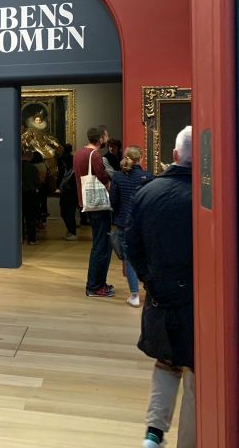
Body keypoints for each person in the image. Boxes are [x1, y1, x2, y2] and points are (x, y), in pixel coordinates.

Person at [127, 126, 194, 448]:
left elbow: (131, 244)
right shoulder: (209, 197)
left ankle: (154, 433)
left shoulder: (147, 191)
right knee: (196, 371)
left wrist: (147, 280)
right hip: (194, 298)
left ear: (175, 154)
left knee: (166, 364)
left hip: (159, 293)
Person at [108, 146, 153, 307]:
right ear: (140, 158)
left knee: (128, 260)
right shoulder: (147, 177)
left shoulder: (118, 177)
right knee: (147, 258)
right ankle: (151, 292)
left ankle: (134, 296)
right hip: (142, 222)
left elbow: (113, 202)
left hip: (123, 223)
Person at [74, 125, 113, 297]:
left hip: (87, 202)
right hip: (99, 205)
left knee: (99, 244)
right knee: (102, 246)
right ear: (100, 139)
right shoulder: (94, 155)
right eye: (106, 136)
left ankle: (97, 283)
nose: (108, 138)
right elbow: (103, 176)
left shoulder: (79, 153)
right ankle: (95, 286)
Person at [21, 147, 41, 245]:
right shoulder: (33, 168)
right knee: (31, 218)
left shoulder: (16, 167)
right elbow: (37, 183)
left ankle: (20, 238)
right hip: (30, 194)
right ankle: (31, 239)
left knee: (19, 217)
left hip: (19, 195)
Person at [58, 143, 78, 240]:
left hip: (70, 194)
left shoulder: (72, 173)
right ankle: (71, 231)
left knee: (68, 213)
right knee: (66, 213)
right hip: (67, 193)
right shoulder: (68, 172)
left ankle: (72, 232)